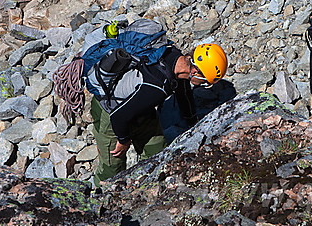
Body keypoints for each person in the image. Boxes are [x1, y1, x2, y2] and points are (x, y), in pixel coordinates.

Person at [91, 42, 227, 184]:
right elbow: (118, 116)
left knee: (156, 154)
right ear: (195, 72)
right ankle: (96, 197)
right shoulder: (157, 86)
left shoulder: (175, 59)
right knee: (112, 169)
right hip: (109, 112)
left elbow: (183, 92)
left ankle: (143, 186)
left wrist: (192, 121)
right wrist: (124, 141)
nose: (204, 85)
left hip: (140, 107)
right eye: (205, 82)